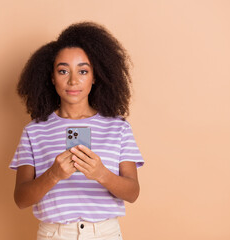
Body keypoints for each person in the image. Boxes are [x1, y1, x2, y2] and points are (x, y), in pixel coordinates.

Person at [10, 22, 144, 240]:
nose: (73, 80)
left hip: (105, 234)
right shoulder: (34, 131)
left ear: (95, 76)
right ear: (52, 78)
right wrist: (53, 174)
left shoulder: (118, 127)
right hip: (54, 234)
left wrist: (101, 174)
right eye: (63, 71)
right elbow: (21, 199)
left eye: (83, 71)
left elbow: (133, 192)